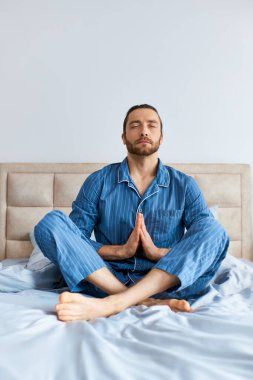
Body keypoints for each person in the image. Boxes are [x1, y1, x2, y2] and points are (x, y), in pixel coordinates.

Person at [34, 104, 229, 322]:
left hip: (169, 283)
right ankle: (141, 301)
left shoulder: (185, 185)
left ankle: (115, 302)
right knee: (51, 223)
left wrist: (158, 253)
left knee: (215, 230)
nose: (144, 131)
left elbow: (204, 240)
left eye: (151, 125)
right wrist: (119, 252)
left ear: (161, 137)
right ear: (124, 137)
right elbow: (74, 239)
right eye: (135, 125)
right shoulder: (98, 181)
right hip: (105, 279)